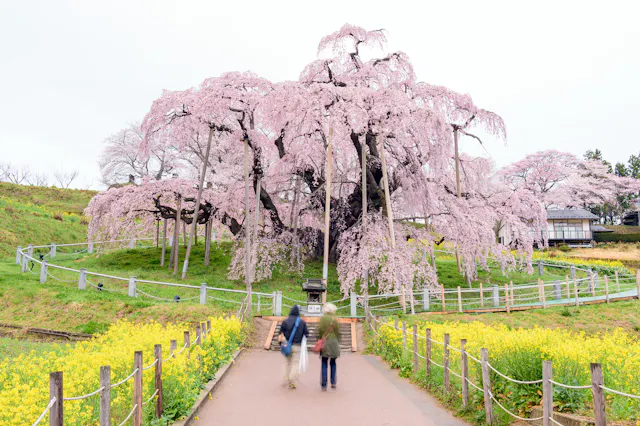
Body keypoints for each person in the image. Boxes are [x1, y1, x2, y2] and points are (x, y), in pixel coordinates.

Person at [278, 305, 308, 389]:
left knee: (287, 362)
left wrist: (281, 344)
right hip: (297, 345)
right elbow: (306, 333)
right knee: (295, 363)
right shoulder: (302, 322)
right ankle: (292, 379)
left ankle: (286, 377)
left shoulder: (285, 321)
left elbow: (280, 333)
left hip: (286, 345)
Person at [318, 303, 340, 391]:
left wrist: (320, 340)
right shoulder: (334, 319)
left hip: (325, 343)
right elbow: (338, 332)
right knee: (333, 363)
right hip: (334, 342)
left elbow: (319, 331)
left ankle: (324, 384)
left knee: (324, 363)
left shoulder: (322, 319)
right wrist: (337, 341)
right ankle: (333, 382)